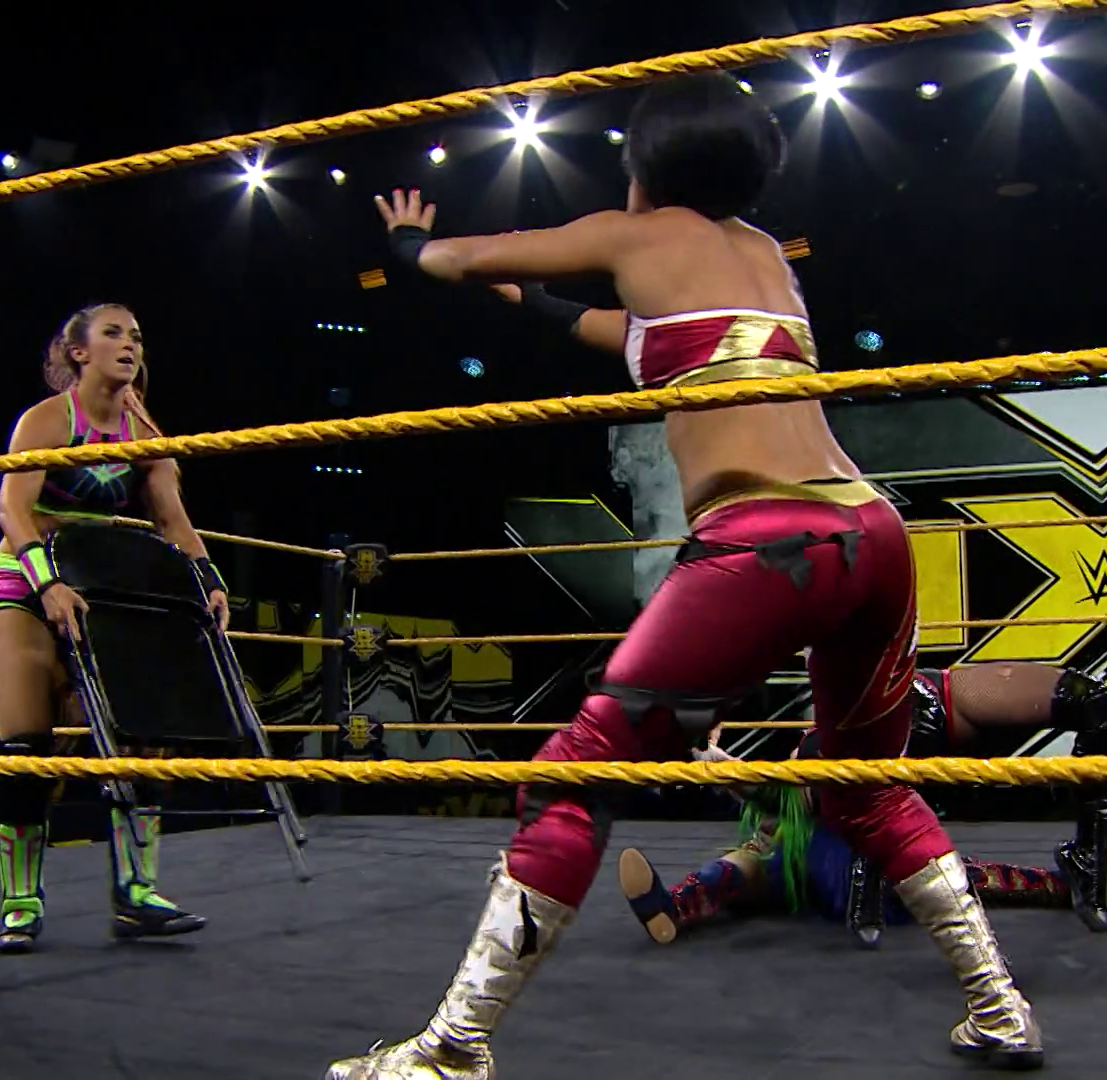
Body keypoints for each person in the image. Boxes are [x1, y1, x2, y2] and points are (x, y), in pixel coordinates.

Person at [332, 74, 1042, 1079]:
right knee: (868, 791)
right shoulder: (760, 258)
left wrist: (410, 246)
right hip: (872, 535)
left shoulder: (637, 234)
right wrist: (527, 304)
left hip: (768, 541)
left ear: (644, 167)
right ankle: (1001, 1009)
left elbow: (462, 256)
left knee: (572, 776)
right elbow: (613, 330)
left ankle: (453, 1049)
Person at [0, 302, 229, 954]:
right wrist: (47, 584)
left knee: (141, 739)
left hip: (104, 592)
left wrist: (208, 581)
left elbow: (171, 518)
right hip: (26, 583)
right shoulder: (47, 420)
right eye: (113, 333)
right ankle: (21, 905)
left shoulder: (144, 429)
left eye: (136, 336)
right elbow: (12, 510)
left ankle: (136, 894)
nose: (129, 345)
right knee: (25, 751)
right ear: (79, 352)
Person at [619, 662, 1107, 945]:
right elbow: (775, 792)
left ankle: (675, 906)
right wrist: (724, 766)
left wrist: (725, 768)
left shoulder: (810, 770)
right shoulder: (804, 788)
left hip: (840, 835)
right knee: (938, 872)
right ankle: (1058, 883)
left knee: (754, 862)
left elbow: (775, 790)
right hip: (839, 845)